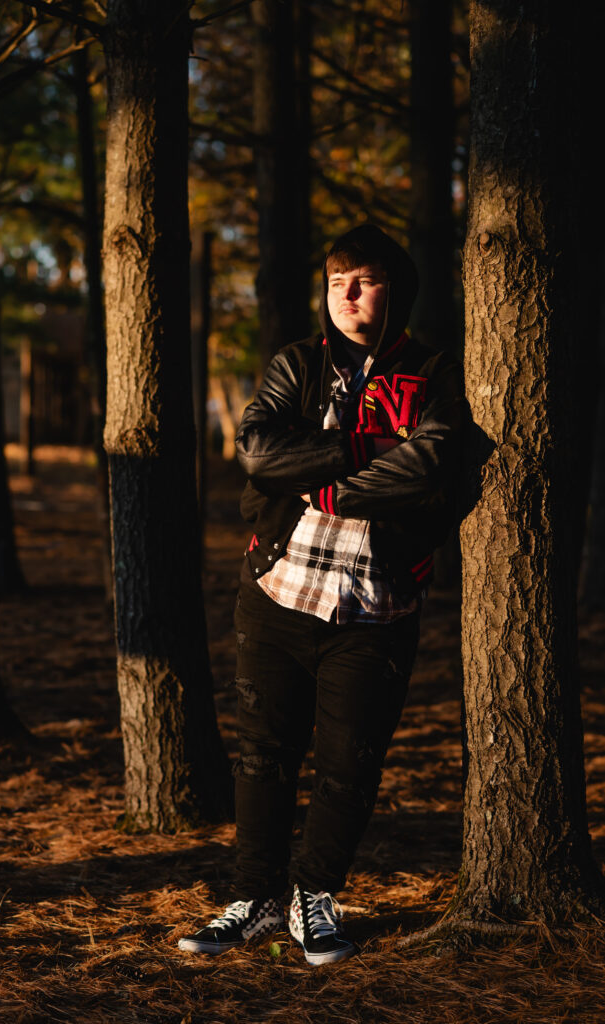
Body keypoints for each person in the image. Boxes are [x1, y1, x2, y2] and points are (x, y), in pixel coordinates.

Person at [178, 223, 469, 966]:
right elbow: (258, 451)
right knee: (263, 754)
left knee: (349, 761)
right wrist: (365, 450)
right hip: (277, 590)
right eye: (335, 279)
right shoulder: (297, 364)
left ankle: (314, 897)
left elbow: (433, 462)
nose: (344, 292)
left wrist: (328, 487)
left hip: (375, 608)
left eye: (362, 279)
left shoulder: (433, 372)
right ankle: (254, 898)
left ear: (393, 290)